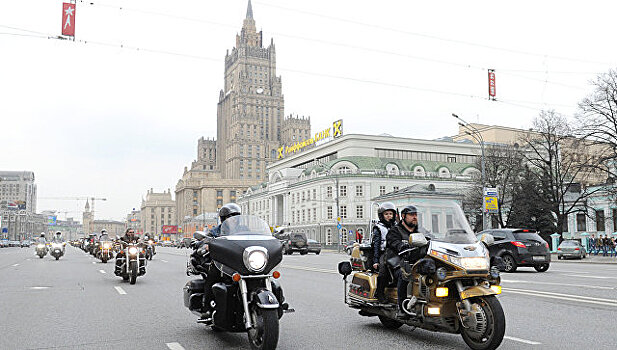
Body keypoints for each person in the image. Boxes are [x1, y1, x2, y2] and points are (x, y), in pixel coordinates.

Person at [386, 205, 430, 318]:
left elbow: (430, 238)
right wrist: (401, 246)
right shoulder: (394, 230)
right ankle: (402, 308)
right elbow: (393, 242)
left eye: (416, 215)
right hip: (397, 262)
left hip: (417, 261)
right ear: (403, 216)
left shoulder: (420, 230)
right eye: (411, 215)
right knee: (404, 274)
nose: (415, 217)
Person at [200, 203, 242, 321]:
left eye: (236, 217)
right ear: (224, 219)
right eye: (231, 217)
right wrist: (206, 244)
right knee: (212, 276)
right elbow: (206, 239)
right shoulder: (217, 230)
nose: (234, 220)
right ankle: (206, 306)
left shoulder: (244, 229)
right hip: (221, 262)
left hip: (239, 262)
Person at [371, 202, 397, 304]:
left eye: (390, 214)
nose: (389, 216)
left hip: (397, 252)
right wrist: (376, 261)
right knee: (384, 270)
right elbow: (376, 245)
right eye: (386, 214)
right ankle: (379, 293)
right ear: (382, 215)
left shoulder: (397, 226)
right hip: (384, 253)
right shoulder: (378, 228)